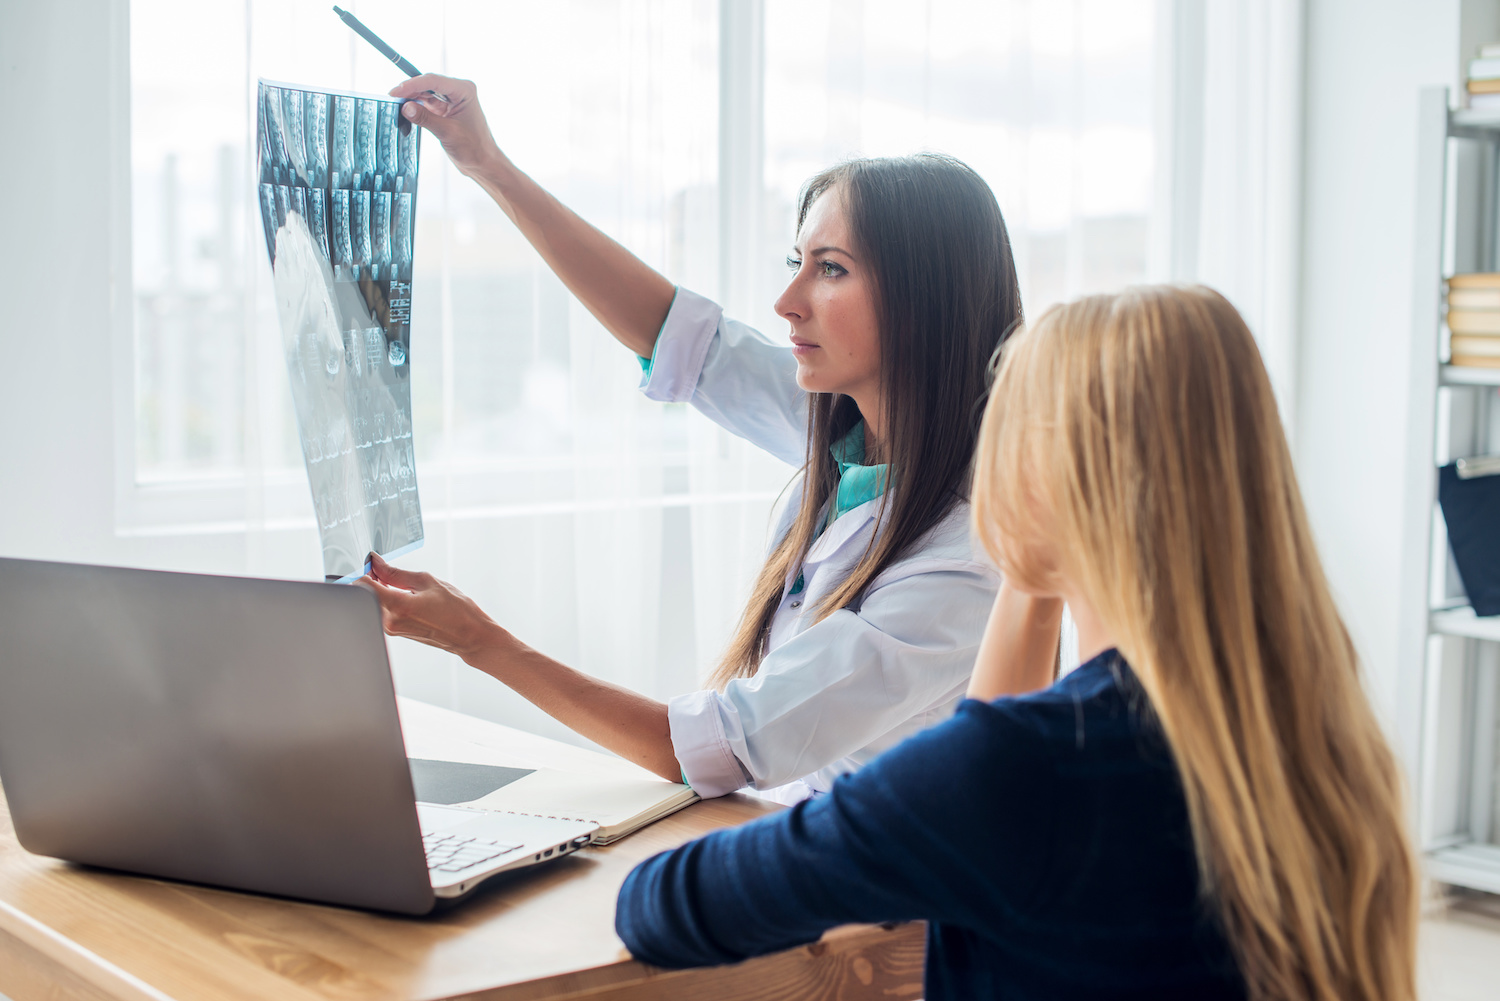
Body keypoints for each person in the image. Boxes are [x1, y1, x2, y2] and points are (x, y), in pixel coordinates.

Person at [615, 286, 1420, 1001]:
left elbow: (666, 907)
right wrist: (1033, 575)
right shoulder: (1312, 735)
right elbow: (984, 778)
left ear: (1042, 482)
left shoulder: (1032, 768)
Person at [358, 75, 1052, 799]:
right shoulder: (852, 431)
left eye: (831, 270)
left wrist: (479, 641)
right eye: (798, 263)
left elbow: (714, 748)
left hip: (894, 900)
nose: (788, 304)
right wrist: (486, 164)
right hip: (801, 839)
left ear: (925, 301)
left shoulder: (964, 560)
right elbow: (680, 337)